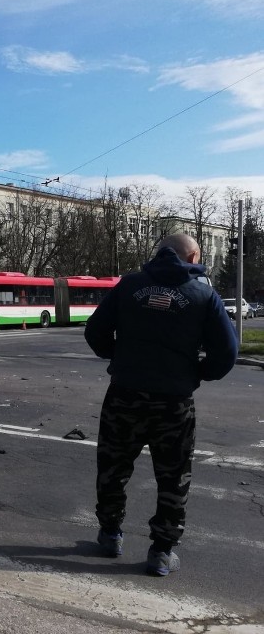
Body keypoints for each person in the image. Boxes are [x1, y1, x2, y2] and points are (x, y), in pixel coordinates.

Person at [84, 233, 237, 577]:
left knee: (113, 468)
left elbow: (95, 332)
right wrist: (197, 373)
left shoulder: (128, 286)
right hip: (174, 403)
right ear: (193, 255)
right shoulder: (204, 295)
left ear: (160, 253)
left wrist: (120, 357)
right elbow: (227, 353)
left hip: (124, 394)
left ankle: (110, 534)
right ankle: (162, 552)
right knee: (173, 476)